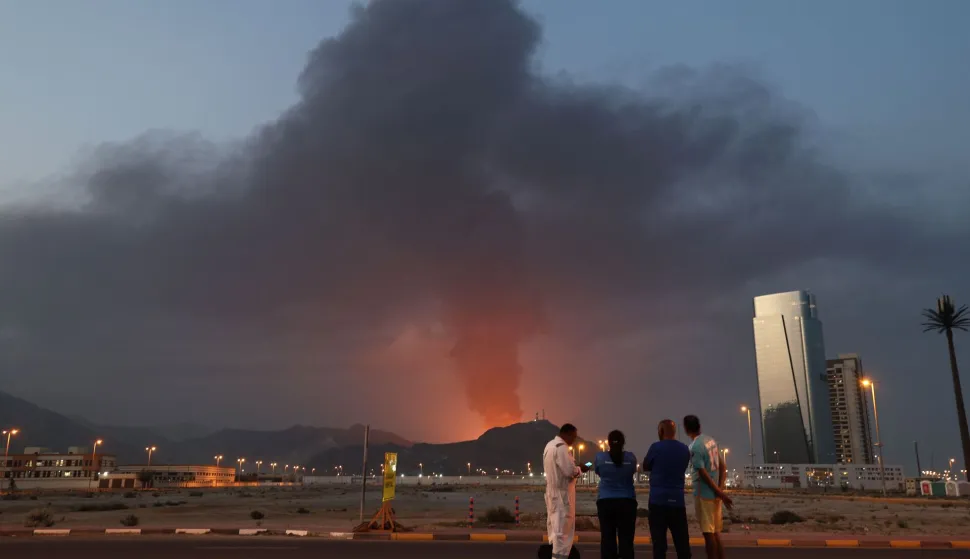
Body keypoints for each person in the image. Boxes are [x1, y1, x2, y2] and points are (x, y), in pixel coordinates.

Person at [684, 415, 732, 559]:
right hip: (715, 495)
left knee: (708, 535)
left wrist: (719, 492)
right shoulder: (710, 441)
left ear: (686, 429)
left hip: (704, 495)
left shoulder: (694, 447)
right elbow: (723, 467)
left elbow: (702, 472)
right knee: (715, 533)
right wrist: (720, 490)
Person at [643, 419, 691, 559]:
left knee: (659, 546)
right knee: (682, 545)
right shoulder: (684, 449)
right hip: (677, 502)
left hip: (658, 502)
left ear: (661, 431)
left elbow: (646, 466)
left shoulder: (656, 447)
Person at [543, 423, 590, 559]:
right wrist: (580, 468)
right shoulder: (562, 447)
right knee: (563, 533)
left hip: (552, 494)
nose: (573, 441)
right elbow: (569, 471)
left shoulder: (549, 446)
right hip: (562, 496)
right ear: (567, 434)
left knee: (554, 531)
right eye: (573, 437)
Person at [594, 430, 638, 559]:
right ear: (623, 442)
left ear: (608, 443)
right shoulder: (631, 458)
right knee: (626, 541)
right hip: (627, 502)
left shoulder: (600, 458)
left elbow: (598, 471)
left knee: (607, 540)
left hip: (605, 502)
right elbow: (633, 471)